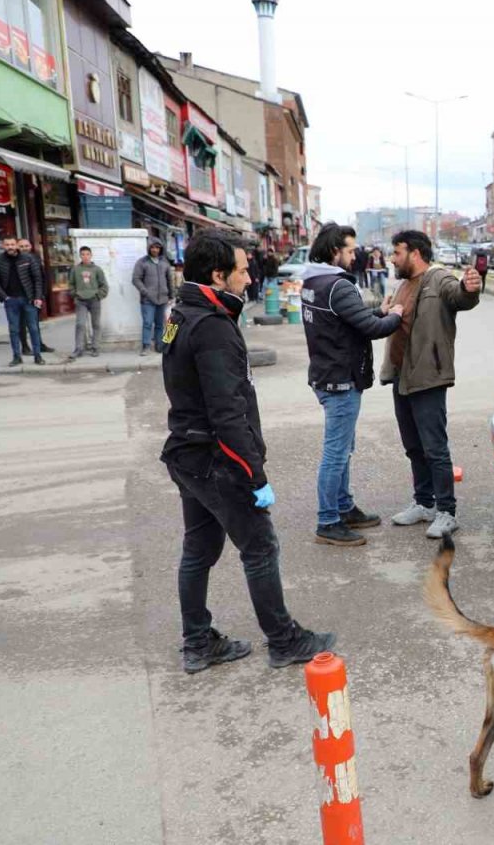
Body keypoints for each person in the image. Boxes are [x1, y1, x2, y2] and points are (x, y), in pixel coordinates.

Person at [160, 229, 335, 673]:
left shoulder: (183, 312)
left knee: (199, 549)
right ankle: (284, 639)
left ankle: (198, 642)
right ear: (218, 275)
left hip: (188, 453)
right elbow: (227, 412)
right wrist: (253, 475)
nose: (249, 278)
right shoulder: (212, 326)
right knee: (260, 547)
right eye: (241, 270)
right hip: (214, 459)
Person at [300, 223, 404, 546]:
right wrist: (395, 315)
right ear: (334, 252)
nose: (354, 254)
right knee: (336, 452)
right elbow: (370, 328)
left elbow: (346, 319)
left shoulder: (312, 281)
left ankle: (344, 507)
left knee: (343, 450)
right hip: (340, 381)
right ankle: (328, 521)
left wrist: (377, 309)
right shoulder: (339, 286)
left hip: (325, 375)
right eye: (349, 250)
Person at [381, 230, 481, 539]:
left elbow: (459, 296)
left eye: (397, 253)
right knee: (413, 446)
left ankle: (446, 511)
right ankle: (423, 503)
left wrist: (469, 288)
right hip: (401, 376)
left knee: (434, 448)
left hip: (428, 376)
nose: (393, 259)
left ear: (414, 253)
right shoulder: (401, 285)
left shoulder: (439, 279)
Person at [0, 237, 46, 366]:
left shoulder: (28, 258)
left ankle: (38, 356)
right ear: (3, 246)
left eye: (12, 244)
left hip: (29, 299)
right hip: (11, 300)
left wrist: (37, 297)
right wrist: (4, 296)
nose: (10, 247)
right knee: (14, 330)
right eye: (7, 244)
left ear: (17, 246)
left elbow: (37, 279)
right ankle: (16, 357)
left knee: (33, 328)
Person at [66, 246, 109, 359]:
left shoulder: (97, 269)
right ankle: (78, 348)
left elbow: (104, 285)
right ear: (80, 256)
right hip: (81, 301)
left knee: (96, 324)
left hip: (94, 300)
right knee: (80, 324)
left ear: (91, 255)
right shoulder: (75, 269)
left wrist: (98, 295)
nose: (85, 256)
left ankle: (95, 347)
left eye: (87, 254)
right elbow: (71, 284)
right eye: (83, 254)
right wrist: (74, 294)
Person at [133, 239, 173, 356]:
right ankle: (146, 346)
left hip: (163, 299)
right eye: (153, 247)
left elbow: (169, 280)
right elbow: (136, 279)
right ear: (149, 248)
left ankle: (159, 345)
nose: (155, 250)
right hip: (148, 300)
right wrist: (145, 291)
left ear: (161, 249)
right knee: (147, 323)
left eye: (157, 247)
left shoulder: (164, 262)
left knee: (160, 324)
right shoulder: (142, 262)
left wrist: (171, 295)